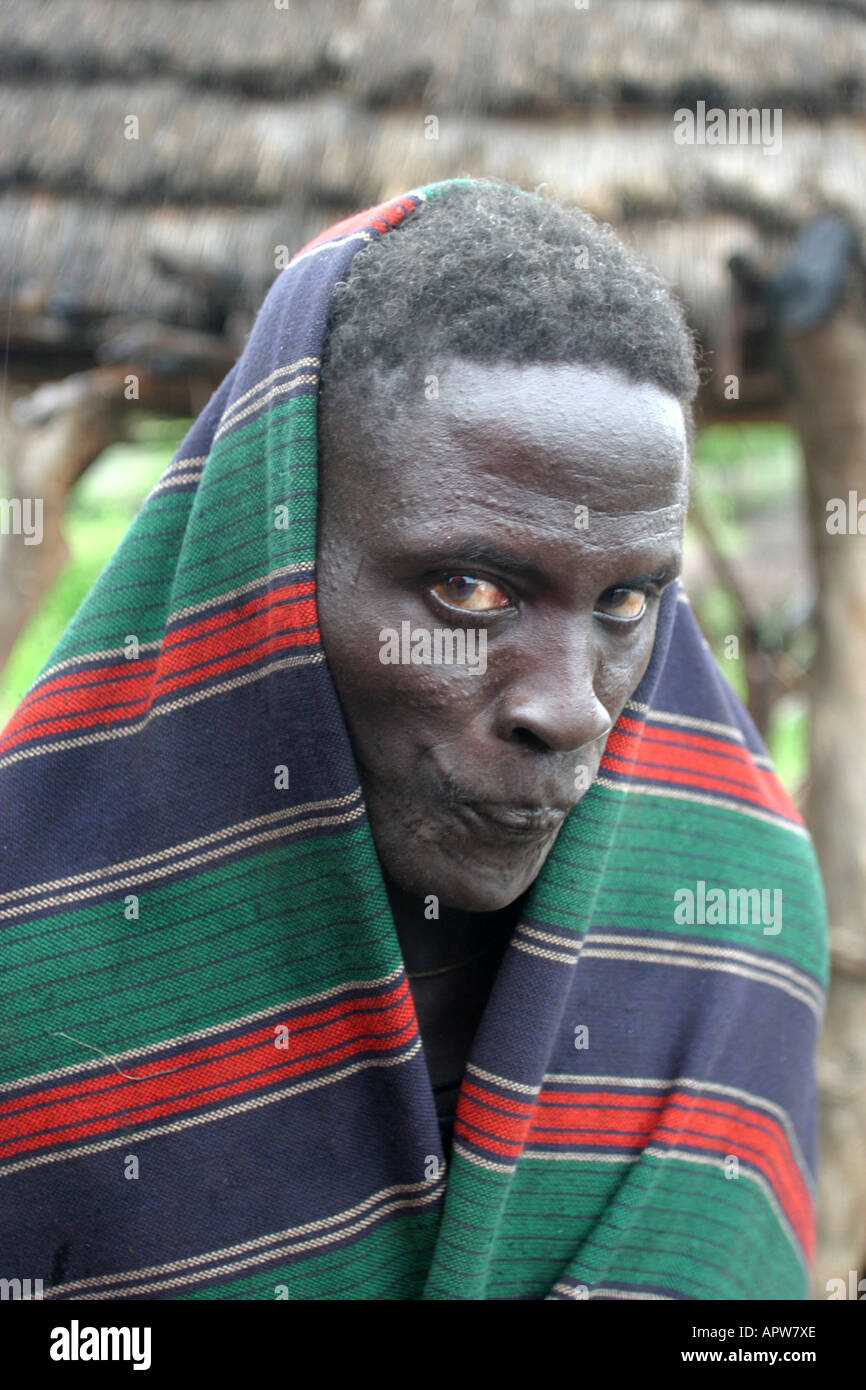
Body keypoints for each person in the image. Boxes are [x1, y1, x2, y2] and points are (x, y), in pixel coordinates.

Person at [0, 179, 827, 1300]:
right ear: (275, 557)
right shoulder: (33, 995)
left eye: (628, 603)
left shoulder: (732, 933)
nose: (572, 706)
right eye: (468, 586)